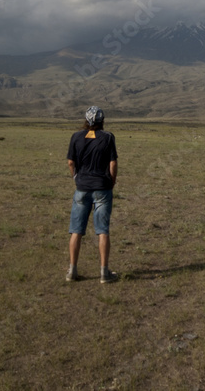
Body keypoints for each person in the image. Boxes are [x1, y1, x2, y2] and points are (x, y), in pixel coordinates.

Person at [65, 105, 119, 283]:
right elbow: (113, 164)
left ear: (86, 120)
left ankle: (72, 271)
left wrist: (76, 178)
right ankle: (104, 273)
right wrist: (111, 181)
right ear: (102, 121)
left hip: (82, 188)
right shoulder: (108, 137)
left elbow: (71, 162)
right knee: (102, 231)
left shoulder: (76, 137)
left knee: (76, 231)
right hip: (102, 188)